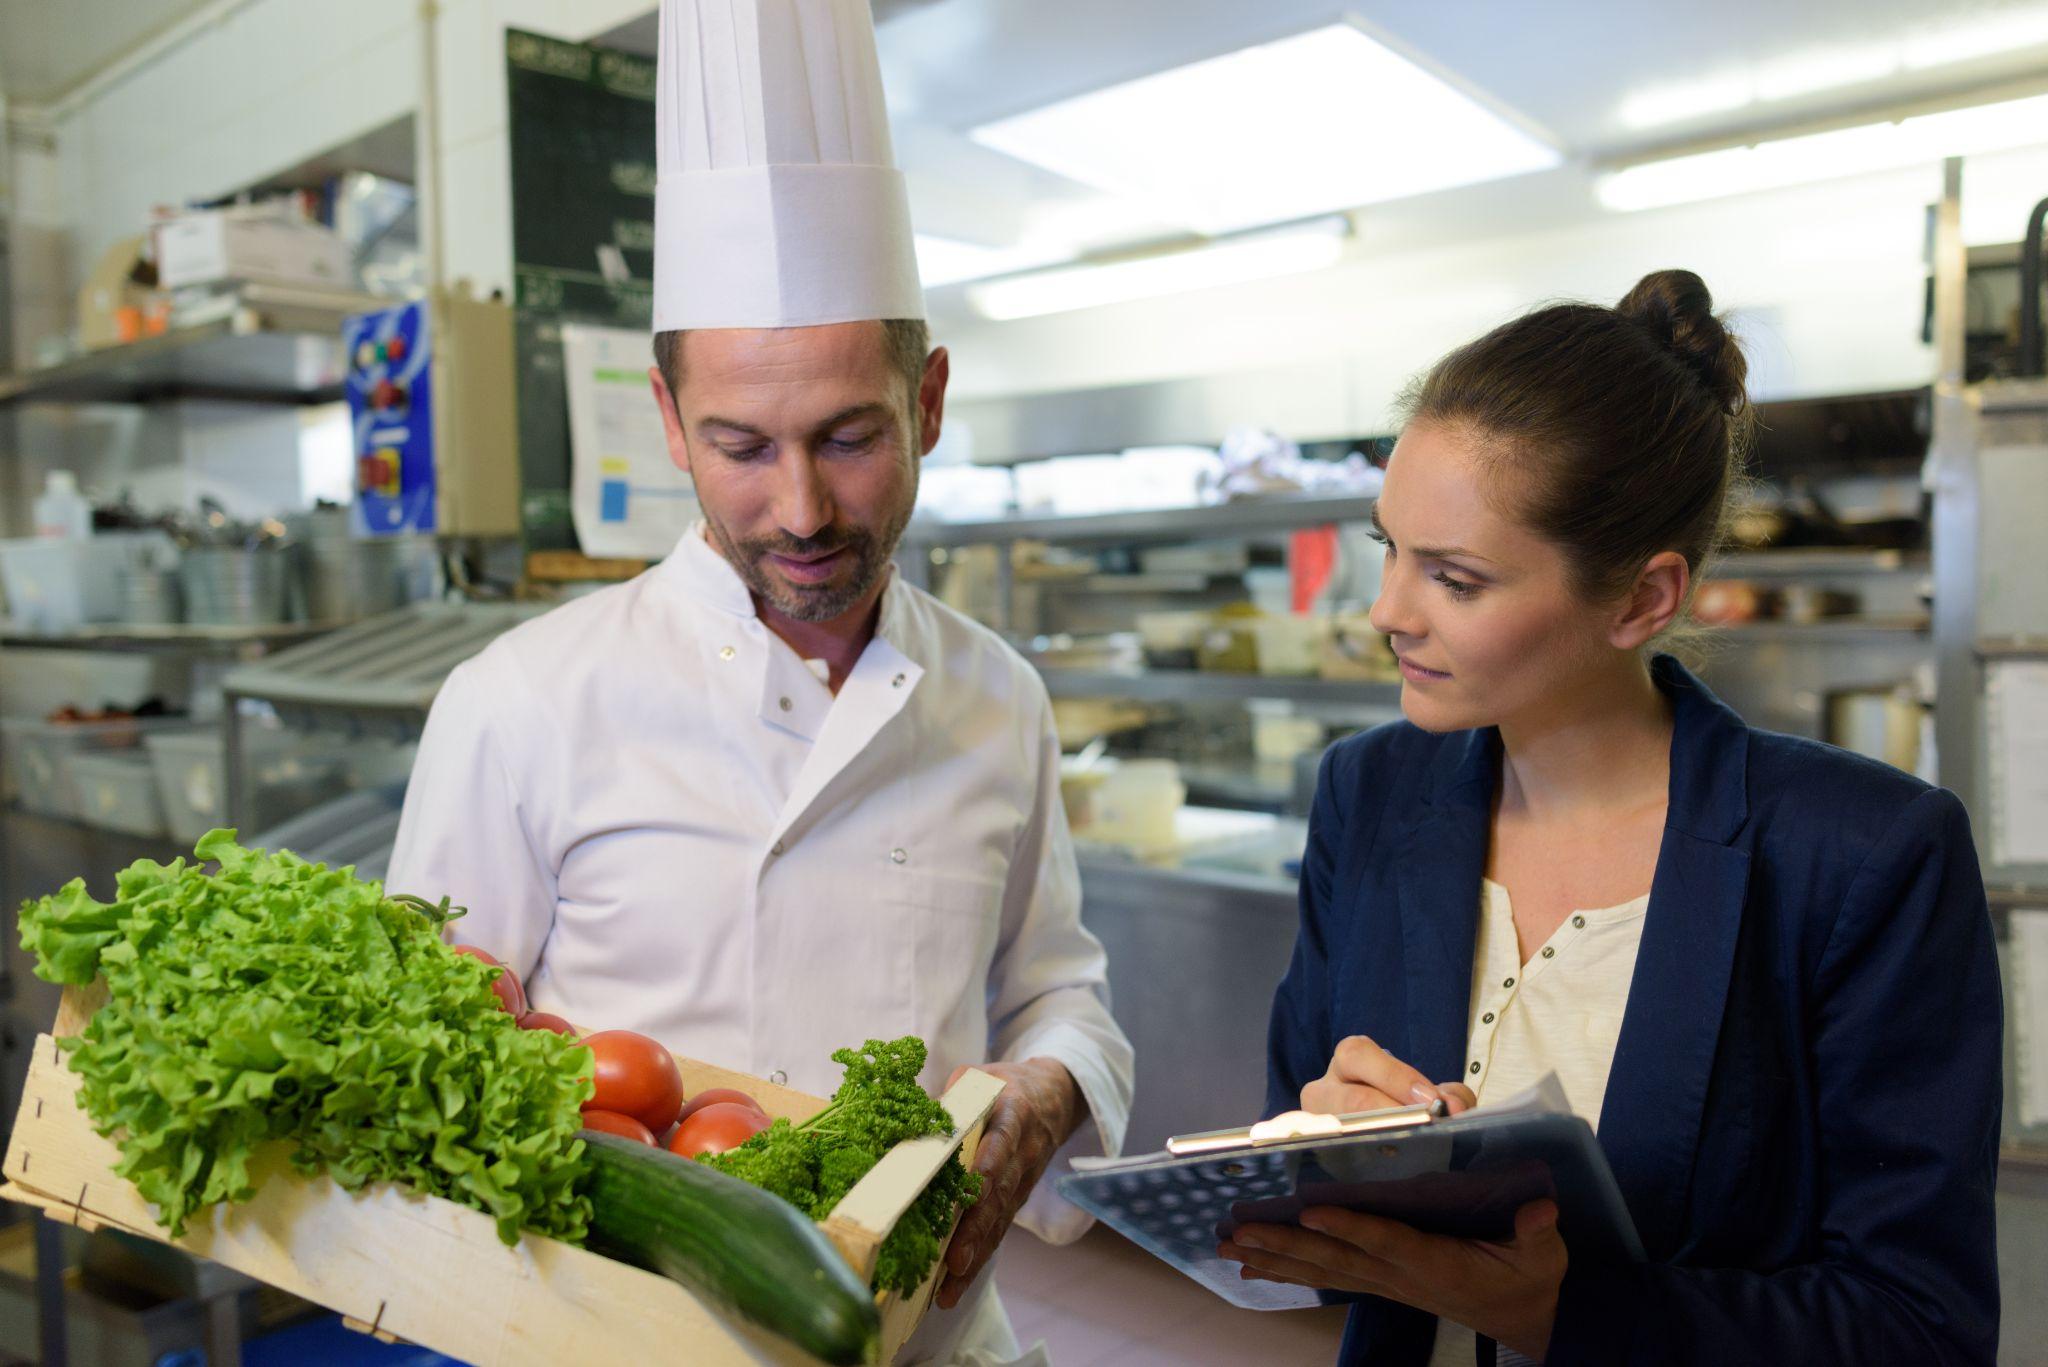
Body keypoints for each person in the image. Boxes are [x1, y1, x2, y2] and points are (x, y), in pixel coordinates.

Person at [387, 2, 1132, 1361]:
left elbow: (1057, 983)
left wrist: (1055, 1080)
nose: (799, 510)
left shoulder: (996, 693)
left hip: (935, 1338)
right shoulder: (523, 700)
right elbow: (429, 1054)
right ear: (668, 418)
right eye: (739, 443)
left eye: (850, 436)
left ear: (932, 400)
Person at [1226, 269, 2001, 1365]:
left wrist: (1563, 1315)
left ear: (1641, 597)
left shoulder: (1865, 857)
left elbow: (1919, 1326)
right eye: (1385, 548)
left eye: (1453, 576)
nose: (1386, 613)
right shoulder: (1371, 792)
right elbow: (1289, 1146)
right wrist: (1322, 1138)